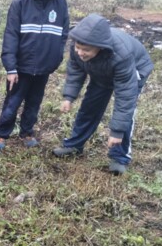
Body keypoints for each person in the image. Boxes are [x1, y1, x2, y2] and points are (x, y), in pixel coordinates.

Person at [53, 13, 153, 175]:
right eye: (78, 48)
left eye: (86, 50)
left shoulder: (121, 56)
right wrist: (69, 97)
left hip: (135, 68)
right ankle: (74, 145)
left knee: (126, 112)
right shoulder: (77, 47)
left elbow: (125, 97)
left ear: (100, 47)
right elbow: (75, 71)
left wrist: (116, 132)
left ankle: (120, 157)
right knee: (90, 106)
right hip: (103, 69)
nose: (80, 53)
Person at [0, 0, 69, 150]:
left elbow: (63, 34)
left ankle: (27, 132)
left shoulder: (60, 4)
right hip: (21, 66)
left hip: (43, 67)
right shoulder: (19, 3)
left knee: (34, 102)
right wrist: (11, 67)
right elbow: (10, 35)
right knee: (12, 101)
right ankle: (2, 134)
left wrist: (56, 58)